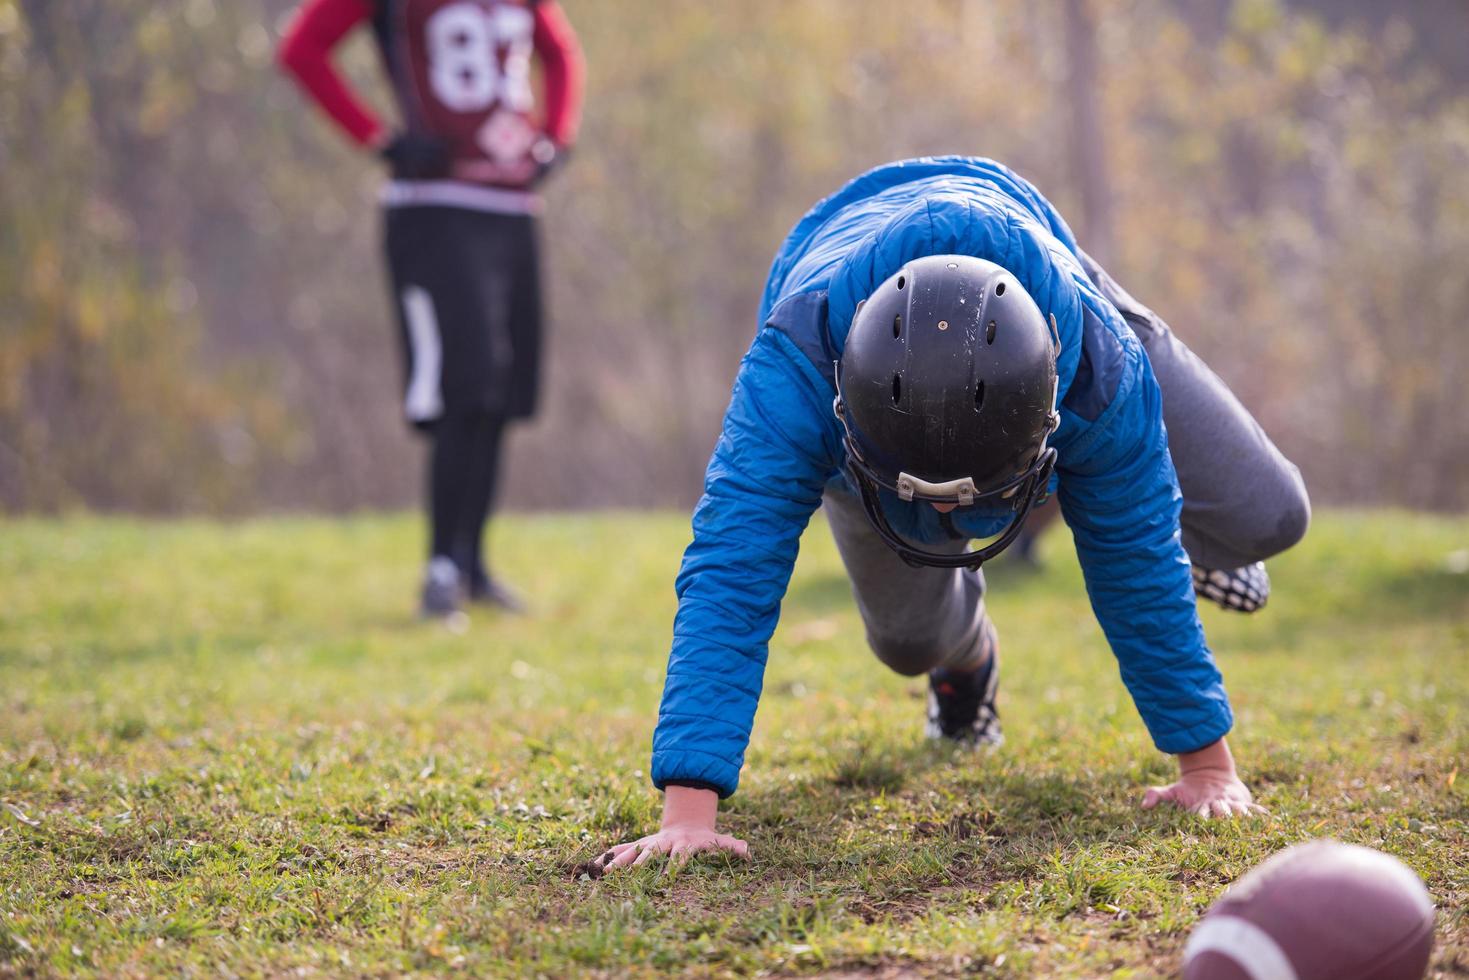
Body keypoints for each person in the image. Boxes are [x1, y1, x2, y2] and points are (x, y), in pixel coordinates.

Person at [598, 156, 1310, 871]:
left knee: (1269, 515)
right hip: (847, 358)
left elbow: (1135, 558)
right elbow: (731, 571)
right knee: (909, 644)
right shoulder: (794, 375)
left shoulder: (1099, 373)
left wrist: (1207, 768)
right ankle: (970, 655)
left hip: (1044, 268)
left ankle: (1174, 520)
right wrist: (688, 810)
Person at [278, 0, 584, 617]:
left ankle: (473, 564)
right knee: (462, 386)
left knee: (502, 390)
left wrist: (557, 135)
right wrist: (380, 140)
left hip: (511, 209)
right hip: (435, 209)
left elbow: (561, 53)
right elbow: (301, 50)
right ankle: (440, 566)